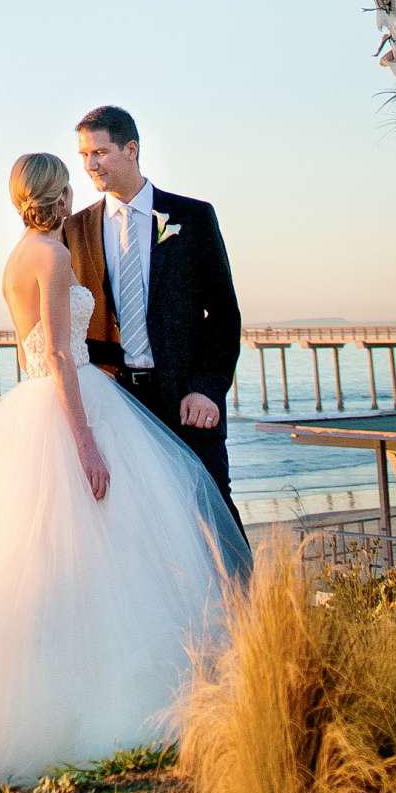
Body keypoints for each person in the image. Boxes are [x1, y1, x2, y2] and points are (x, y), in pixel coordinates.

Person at [0, 153, 247, 783]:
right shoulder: (56, 257)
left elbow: (36, 350)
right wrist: (86, 443)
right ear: (57, 198)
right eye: (70, 185)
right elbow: (61, 356)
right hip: (72, 402)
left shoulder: (16, 257)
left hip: (34, 401)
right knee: (113, 550)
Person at [65, 105, 245, 533]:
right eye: (85, 155)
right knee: (128, 530)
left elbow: (224, 315)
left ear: (131, 149)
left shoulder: (194, 218)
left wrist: (207, 389)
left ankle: (252, 604)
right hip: (115, 406)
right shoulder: (75, 230)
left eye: (101, 152)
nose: (91, 165)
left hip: (185, 401)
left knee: (212, 518)